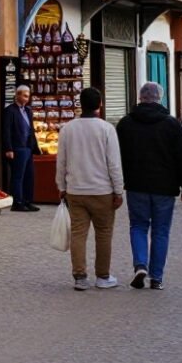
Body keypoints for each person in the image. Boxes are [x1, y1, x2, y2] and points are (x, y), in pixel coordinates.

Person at [116, 82, 182, 290]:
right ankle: (156, 277)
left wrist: (117, 183)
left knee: (138, 226)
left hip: (136, 185)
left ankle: (140, 265)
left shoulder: (125, 124)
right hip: (164, 188)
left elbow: (116, 156)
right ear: (160, 98)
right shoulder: (172, 125)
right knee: (161, 231)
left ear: (140, 97)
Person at [55, 88, 124, 291]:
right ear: (99, 105)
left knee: (78, 233)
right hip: (103, 191)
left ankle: (80, 276)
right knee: (103, 233)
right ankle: (103, 276)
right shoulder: (106, 129)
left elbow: (62, 161)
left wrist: (61, 186)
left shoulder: (67, 129)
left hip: (76, 190)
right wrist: (118, 190)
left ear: (80, 104)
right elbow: (114, 163)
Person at [2, 85, 42, 212]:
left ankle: (28, 201)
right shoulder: (10, 111)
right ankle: (17, 202)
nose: (27, 98)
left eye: (28, 96)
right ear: (17, 95)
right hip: (17, 147)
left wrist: (35, 147)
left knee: (29, 175)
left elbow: (31, 129)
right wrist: (8, 149)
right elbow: (6, 130)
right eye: (24, 95)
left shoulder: (28, 111)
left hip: (28, 147)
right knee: (18, 176)